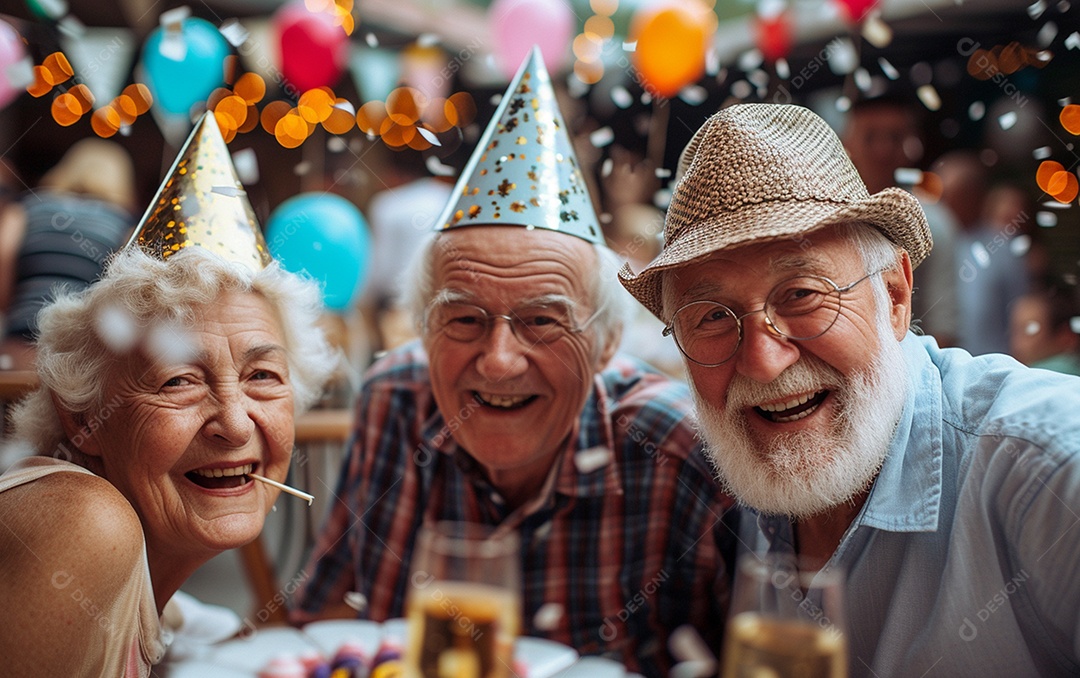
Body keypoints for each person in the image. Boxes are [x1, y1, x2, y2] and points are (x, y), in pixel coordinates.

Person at [291, 49, 738, 677]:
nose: (498, 363)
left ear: (608, 344)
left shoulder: (676, 446)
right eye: (465, 319)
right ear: (422, 329)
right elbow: (328, 612)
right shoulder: (397, 397)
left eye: (542, 321)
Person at [618, 103, 1080, 677]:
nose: (762, 363)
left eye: (803, 294)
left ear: (894, 296)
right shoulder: (751, 479)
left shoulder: (1048, 467)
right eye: (711, 316)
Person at [0, 115, 338, 676]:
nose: (234, 424)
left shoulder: (158, 599)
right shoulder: (85, 524)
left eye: (262, 377)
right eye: (179, 381)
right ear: (83, 418)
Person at [0, 139, 137, 370]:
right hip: (78, 360)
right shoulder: (124, 226)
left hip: (19, 349)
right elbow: (122, 299)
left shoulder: (24, 210)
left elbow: (2, 288)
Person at [841, 95, 959, 347]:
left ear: (911, 146)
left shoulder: (933, 222)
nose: (882, 150)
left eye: (894, 138)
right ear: (847, 142)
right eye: (870, 136)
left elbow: (943, 323)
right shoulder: (829, 217)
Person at [937, 153, 1030, 355]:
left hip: (992, 366)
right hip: (942, 366)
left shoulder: (1004, 248)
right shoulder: (933, 242)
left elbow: (1020, 312)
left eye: (953, 195)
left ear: (975, 196)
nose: (943, 204)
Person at [1009, 285, 1080, 375]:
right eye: (1015, 331)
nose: (1017, 344)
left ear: (1066, 338)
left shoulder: (1040, 377)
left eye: (1030, 330)